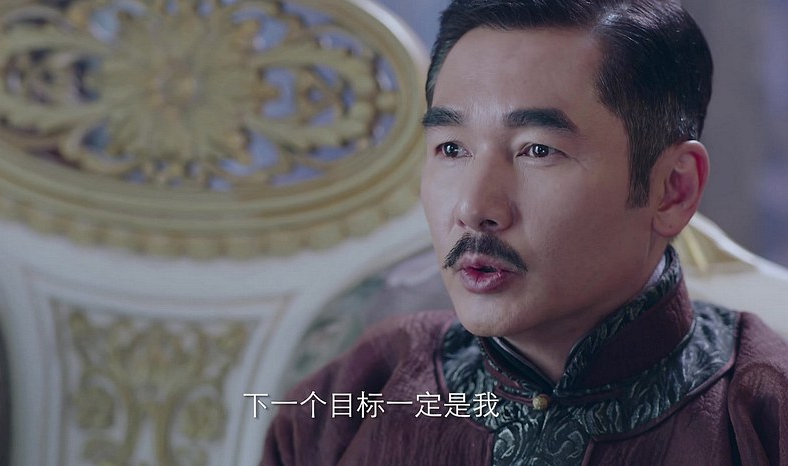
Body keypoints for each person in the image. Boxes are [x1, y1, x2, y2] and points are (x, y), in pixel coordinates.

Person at [261, 1, 788, 464]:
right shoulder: (359, 392)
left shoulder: (762, 415)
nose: (473, 209)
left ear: (672, 189)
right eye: (451, 148)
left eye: (537, 150)